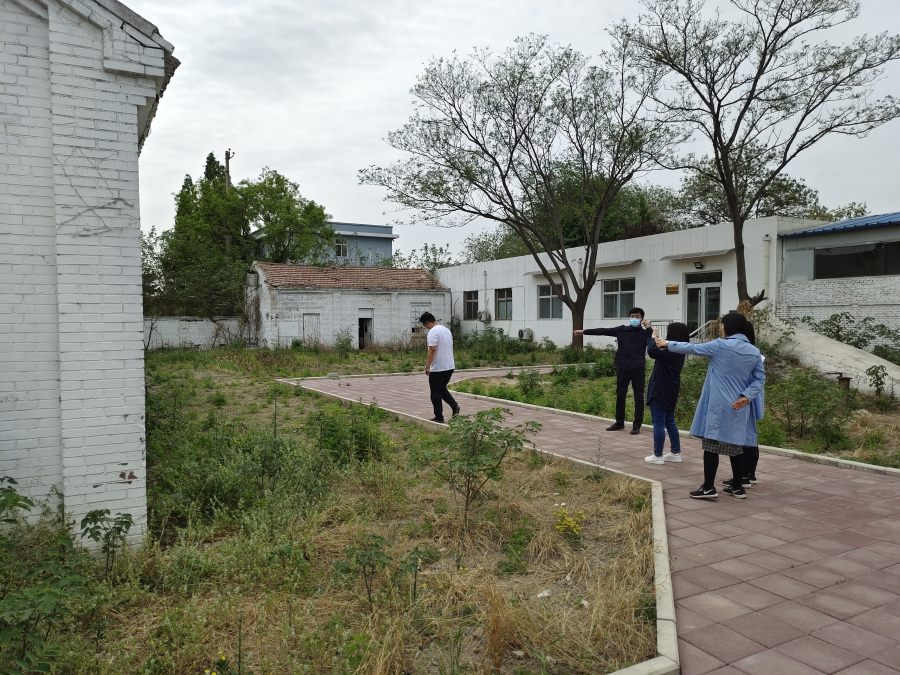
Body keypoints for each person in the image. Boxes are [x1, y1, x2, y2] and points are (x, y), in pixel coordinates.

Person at [654, 312, 765, 499]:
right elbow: (760, 379)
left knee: (711, 445)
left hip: (718, 404)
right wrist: (747, 396)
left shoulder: (720, 345)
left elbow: (693, 348)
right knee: (735, 446)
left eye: (722, 325)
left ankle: (708, 488)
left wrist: (667, 343)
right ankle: (738, 487)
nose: (721, 328)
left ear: (727, 327)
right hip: (739, 405)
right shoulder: (754, 351)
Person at [574, 308, 653, 434]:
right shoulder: (622, 330)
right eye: (632, 316)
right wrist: (584, 332)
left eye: (637, 316)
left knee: (638, 397)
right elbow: (603, 331)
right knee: (620, 395)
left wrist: (649, 329)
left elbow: (652, 342)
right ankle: (619, 422)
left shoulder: (645, 333)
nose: (634, 318)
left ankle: (637, 425)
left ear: (642, 319)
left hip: (638, 368)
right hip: (623, 367)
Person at [644, 322, 691, 465]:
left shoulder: (671, 352)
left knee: (658, 423)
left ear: (673, 334)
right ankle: (675, 452)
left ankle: (657, 455)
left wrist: (652, 337)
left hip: (660, 390)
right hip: (671, 390)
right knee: (669, 421)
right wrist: (653, 333)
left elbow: (652, 351)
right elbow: (660, 348)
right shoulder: (679, 351)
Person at [420, 312, 460, 424]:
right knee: (441, 389)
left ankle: (439, 417)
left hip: (438, 367)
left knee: (435, 393)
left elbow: (432, 349)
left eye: (424, 325)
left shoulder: (433, 332)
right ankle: (454, 406)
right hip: (449, 366)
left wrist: (427, 366)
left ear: (427, 323)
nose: (425, 327)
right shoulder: (446, 330)